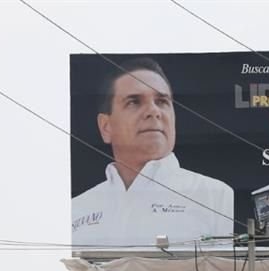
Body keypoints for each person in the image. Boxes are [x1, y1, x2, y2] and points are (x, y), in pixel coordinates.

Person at [71, 57, 234, 249]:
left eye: (162, 101)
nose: (153, 111)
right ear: (106, 127)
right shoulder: (77, 208)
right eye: (134, 102)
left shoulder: (214, 195)